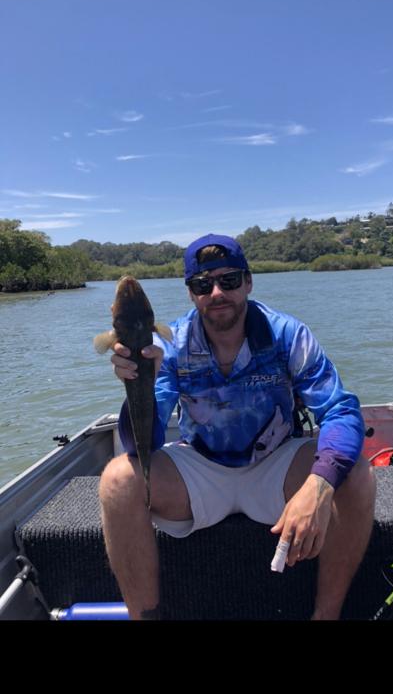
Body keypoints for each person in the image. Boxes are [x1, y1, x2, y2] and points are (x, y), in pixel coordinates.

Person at [99, 233, 376, 620]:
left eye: (228, 280)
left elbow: (340, 411)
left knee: (356, 474)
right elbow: (142, 444)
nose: (217, 293)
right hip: (201, 468)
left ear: (248, 282)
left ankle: (325, 616)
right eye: (203, 285)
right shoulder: (171, 345)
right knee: (117, 480)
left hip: (276, 464)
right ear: (191, 293)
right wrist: (138, 384)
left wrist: (319, 484)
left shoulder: (288, 335)